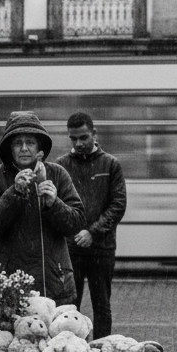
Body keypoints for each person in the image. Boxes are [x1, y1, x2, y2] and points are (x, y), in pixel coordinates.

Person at [0, 111, 84, 303]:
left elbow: (76, 222)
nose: (24, 148)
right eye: (18, 143)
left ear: (39, 148)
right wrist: (14, 193)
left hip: (52, 283)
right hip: (8, 286)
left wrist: (54, 204)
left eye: (30, 143)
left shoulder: (57, 174)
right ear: (9, 148)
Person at [57, 111, 127, 340]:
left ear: (94, 134)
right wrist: (73, 231)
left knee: (101, 305)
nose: (79, 143)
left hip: (101, 248)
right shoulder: (61, 166)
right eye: (74, 139)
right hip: (70, 248)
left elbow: (118, 205)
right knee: (68, 308)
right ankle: (70, 350)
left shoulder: (110, 164)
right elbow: (55, 206)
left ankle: (101, 350)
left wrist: (92, 232)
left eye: (83, 138)